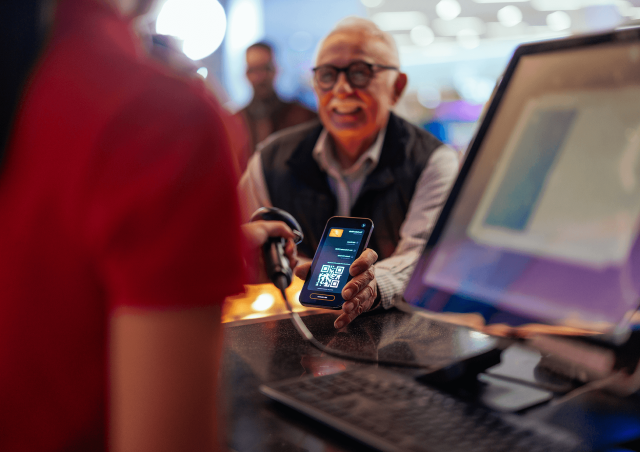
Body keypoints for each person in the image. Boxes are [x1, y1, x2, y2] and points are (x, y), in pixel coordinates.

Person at [239, 17, 460, 329]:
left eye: (360, 73)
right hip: (294, 333)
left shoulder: (433, 161)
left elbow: (422, 259)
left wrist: (372, 285)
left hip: (393, 340)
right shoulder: (270, 159)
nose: (341, 89)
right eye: (328, 75)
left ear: (396, 87)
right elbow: (237, 237)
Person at [234, 41, 317, 170]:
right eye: (253, 70)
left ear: (276, 70)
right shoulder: (235, 122)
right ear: (246, 74)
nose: (260, 77)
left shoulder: (302, 116)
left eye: (266, 68)